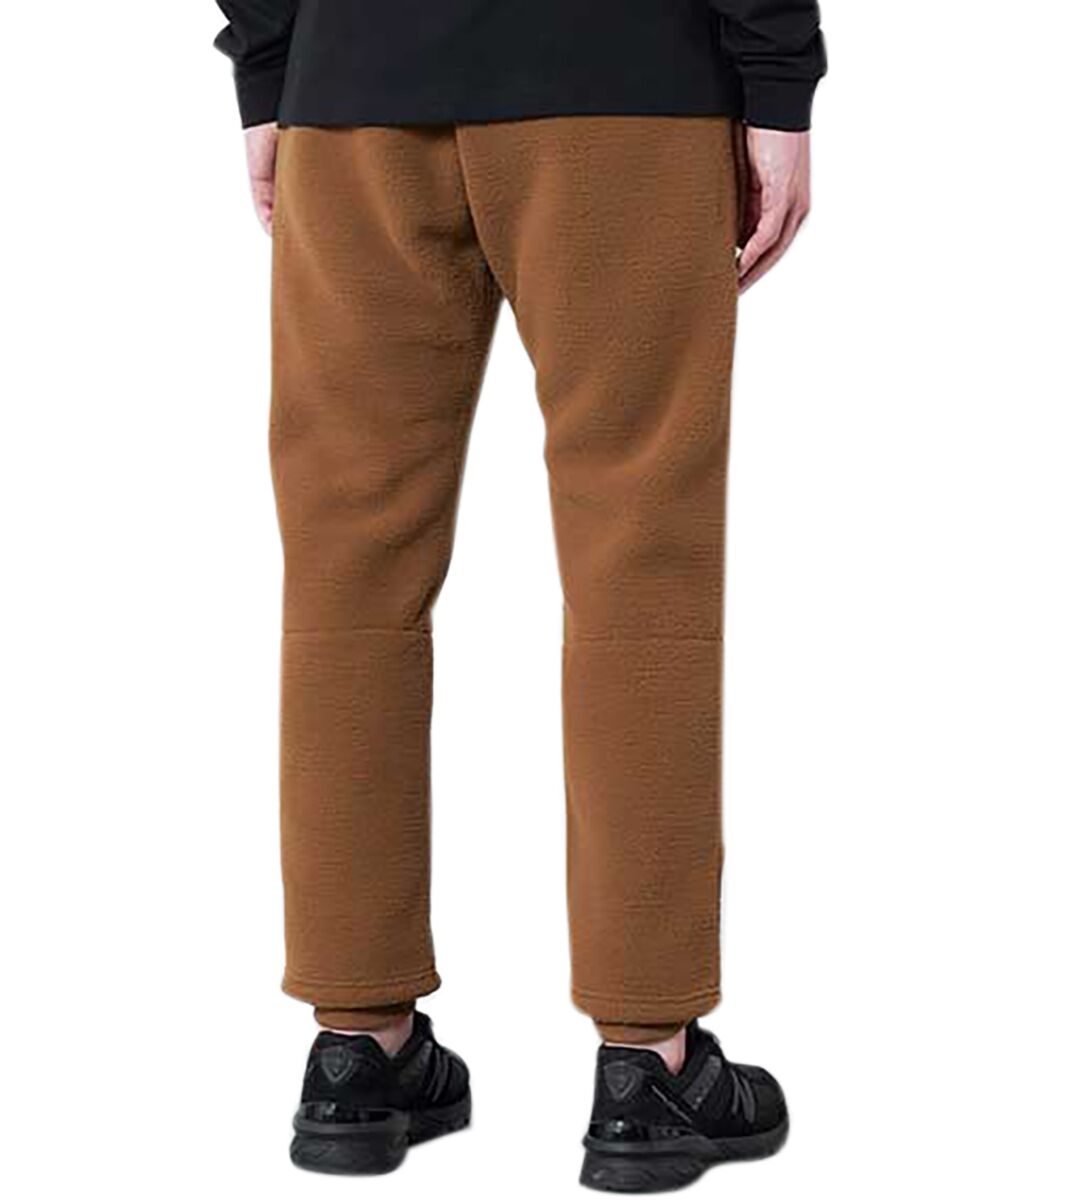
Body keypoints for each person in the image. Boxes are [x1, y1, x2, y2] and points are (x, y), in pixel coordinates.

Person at [214, 0, 825, 1189]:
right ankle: (648, 1062)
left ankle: (358, 1048)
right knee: (638, 559)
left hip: (354, 88)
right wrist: (778, 78)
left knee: (349, 573)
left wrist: (274, 67)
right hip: (624, 80)